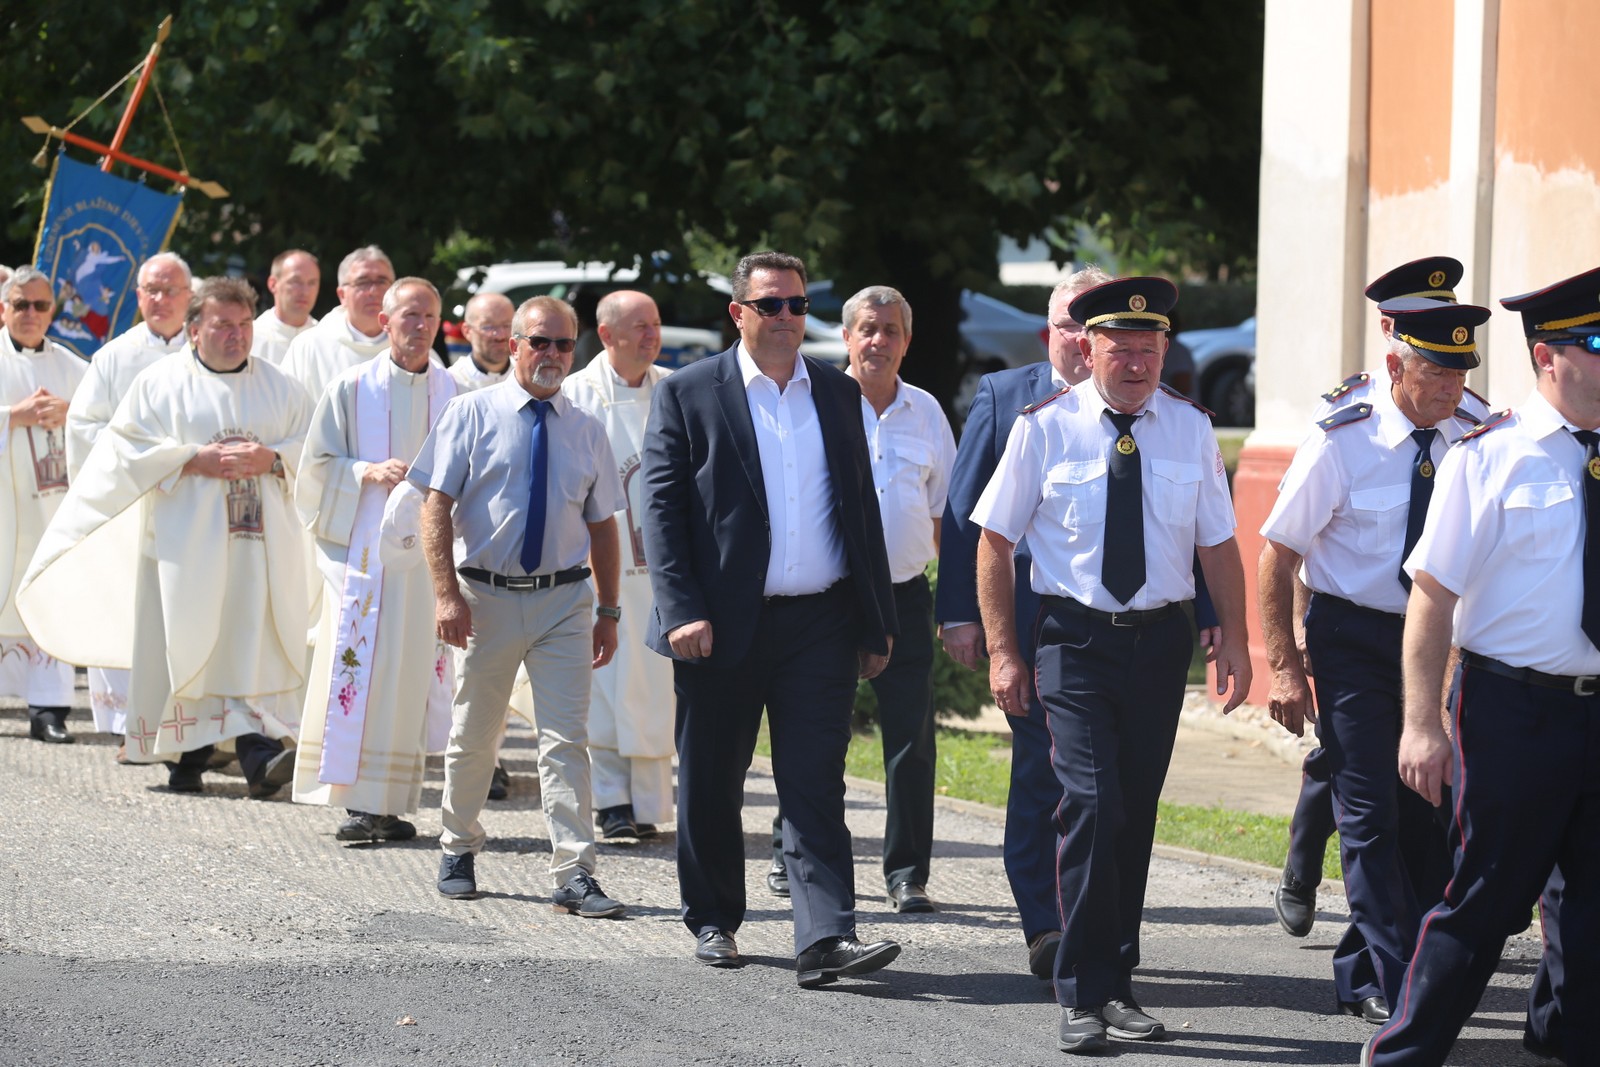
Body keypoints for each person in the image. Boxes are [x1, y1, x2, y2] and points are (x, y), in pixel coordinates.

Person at [972, 276, 1249, 1054]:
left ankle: (1117, 981)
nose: (1135, 364)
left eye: (1148, 349)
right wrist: (1003, 650)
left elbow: (1217, 543)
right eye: (1120, 348)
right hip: (1074, 642)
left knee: (1132, 812)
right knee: (1091, 805)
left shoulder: (1191, 428)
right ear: (1088, 347)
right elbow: (994, 541)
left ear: (1165, 349)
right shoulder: (1044, 427)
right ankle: (1082, 990)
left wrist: (1234, 636)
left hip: (1158, 643)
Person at [641, 251, 901, 987]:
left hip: (821, 621)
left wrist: (876, 619)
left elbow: (861, 508)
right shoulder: (689, 392)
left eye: (797, 304)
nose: (787, 317)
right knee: (712, 778)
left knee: (815, 781)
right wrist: (682, 609)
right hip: (720, 623)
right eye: (770, 304)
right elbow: (660, 511)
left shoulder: (836, 391)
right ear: (739, 313)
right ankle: (714, 918)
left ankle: (825, 936)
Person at [1362, 266, 1600, 1067]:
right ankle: (1401, 1053)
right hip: (1512, 711)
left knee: (1593, 905)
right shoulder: (1490, 455)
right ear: (1546, 356)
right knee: (1487, 899)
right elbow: (1431, 598)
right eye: (1596, 342)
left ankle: (1565, 1043)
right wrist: (1421, 723)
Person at [1259, 299, 1484, 1025]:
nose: (1450, 386)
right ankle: (1403, 981)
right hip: (1353, 639)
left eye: (1460, 372)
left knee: (1428, 813)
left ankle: (1367, 969)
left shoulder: (1477, 436)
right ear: (1395, 365)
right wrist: (1284, 665)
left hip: (1440, 641)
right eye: (1435, 372)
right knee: (1370, 815)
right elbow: (1277, 554)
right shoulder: (1342, 441)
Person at [18, 277, 311, 795]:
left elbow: (313, 451)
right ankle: (192, 754)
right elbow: (121, 451)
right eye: (223, 325)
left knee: (246, 642)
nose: (237, 335)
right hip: (185, 549)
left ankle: (255, 753)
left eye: (245, 324)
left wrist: (273, 458)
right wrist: (190, 459)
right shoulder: (159, 384)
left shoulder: (282, 387)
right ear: (194, 330)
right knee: (188, 643)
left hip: (257, 548)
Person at [411, 294, 628, 918]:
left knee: (566, 741)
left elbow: (603, 527)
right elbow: (435, 506)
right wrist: (446, 593)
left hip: (564, 602)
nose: (552, 354)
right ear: (514, 346)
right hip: (485, 599)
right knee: (474, 736)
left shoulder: (587, 429)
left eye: (563, 344)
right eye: (540, 342)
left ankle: (575, 872)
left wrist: (609, 611)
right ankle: (458, 847)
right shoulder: (470, 413)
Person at [935, 264, 1112, 977]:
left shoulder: (1140, 404)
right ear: (1049, 332)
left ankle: (1092, 921)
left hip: (1116, 619)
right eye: (1071, 323)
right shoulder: (1006, 396)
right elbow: (964, 512)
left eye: (1095, 324)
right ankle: (1045, 923)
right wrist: (961, 613)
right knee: (1043, 768)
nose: (1082, 337)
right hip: (1031, 612)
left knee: (1102, 781)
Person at [767, 285, 954, 912]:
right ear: (846, 337)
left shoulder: (927, 411)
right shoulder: (814, 401)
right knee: (811, 732)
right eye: (867, 329)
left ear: (907, 341)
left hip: (903, 596)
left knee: (911, 740)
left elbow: (944, 516)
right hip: (831, 598)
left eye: (890, 330)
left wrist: (956, 604)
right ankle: (790, 852)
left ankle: (907, 874)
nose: (878, 341)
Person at [292, 278, 456, 842]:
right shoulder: (352, 386)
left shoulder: (452, 390)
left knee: (410, 672)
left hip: (425, 560)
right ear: (385, 322)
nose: (420, 326)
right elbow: (315, 466)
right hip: (364, 558)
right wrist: (364, 470)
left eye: (430, 316)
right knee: (364, 666)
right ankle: (357, 804)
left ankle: (390, 802)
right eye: (410, 315)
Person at [63, 251, 194, 740]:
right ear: (138, 296)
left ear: (190, 296)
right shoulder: (114, 357)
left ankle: (183, 722)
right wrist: (147, 461)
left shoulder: (207, 353)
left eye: (171, 290)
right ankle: (126, 723)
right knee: (125, 606)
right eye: (151, 290)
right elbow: (83, 427)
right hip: (129, 505)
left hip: (191, 504)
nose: (161, 299)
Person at [562, 289, 676, 843]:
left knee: (658, 683)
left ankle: (650, 801)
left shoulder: (674, 390)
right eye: (639, 326)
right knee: (604, 684)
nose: (652, 336)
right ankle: (610, 802)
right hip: (599, 568)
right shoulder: (575, 396)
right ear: (606, 335)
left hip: (663, 572)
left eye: (655, 324)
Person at [0, 266, 85, 743]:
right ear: (3, 308)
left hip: (52, 507)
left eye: (40, 305)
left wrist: (72, 412)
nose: (30, 313)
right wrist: (14, 416)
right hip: (3, 509)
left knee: (50, 599)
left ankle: (48, 710)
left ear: (53, 311)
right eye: (20, 304)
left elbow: (104, 420)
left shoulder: (73, 367)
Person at [279, 246, 395, 405]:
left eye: (382, 281)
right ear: (342, 295)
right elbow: (285, 411)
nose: (373, 291)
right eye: (362, 282)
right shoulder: (309, 347)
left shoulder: (414, 347)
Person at [252, 249, 321, 366]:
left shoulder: (325, 339)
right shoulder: (251, 338)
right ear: (273, 284)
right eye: (296, 281)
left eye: (312, 283)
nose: (305, 292)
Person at [448, 292, 515, 392]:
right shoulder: (451, 383)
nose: (499, 336)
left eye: (507, 325)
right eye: (488, 327)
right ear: (467, 331)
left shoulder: (527, 376)